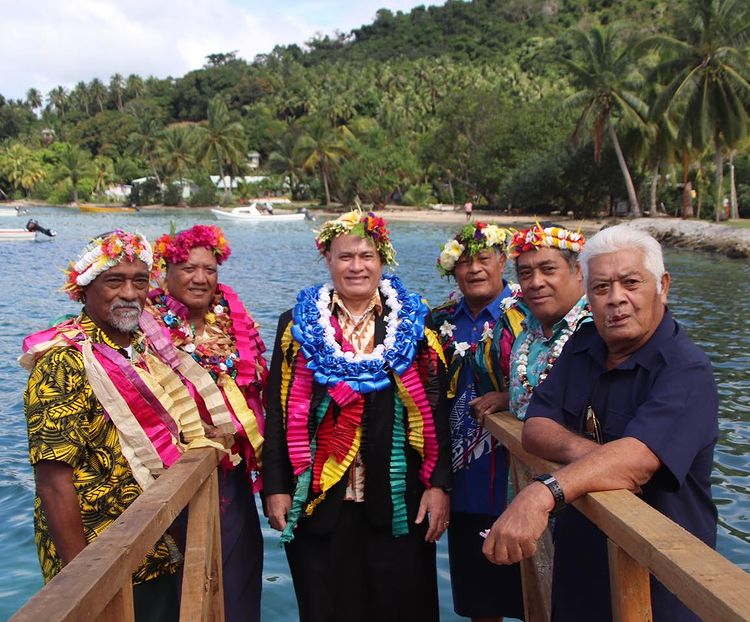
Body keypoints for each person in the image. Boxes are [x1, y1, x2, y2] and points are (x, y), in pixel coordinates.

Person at [482, 225, 719, 621]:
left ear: (662, 285)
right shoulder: (584, 345)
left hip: (658, 581)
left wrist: (543, 494)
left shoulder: (685, 369)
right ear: (588, 294)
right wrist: (603, 460)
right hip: (580, 570)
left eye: (631, 283)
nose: (616, 299)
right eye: (602, 287)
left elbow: (639, 461)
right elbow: (538, 426)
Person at [263, 209, 452, 622]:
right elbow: (277, 411)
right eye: (345, 256)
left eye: (366, 256)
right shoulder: (294, 325)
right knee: (326, 610)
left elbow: (434, 408)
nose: (356, 266)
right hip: (321, 502)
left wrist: (438, 485)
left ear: (382, 259)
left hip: (397, 501)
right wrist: (275, 486)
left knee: (403, 610)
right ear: (327, 260)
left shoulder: (416, 323)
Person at [20, 230, 212, 622]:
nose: (129, 293)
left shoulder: (140, 349)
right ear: (85, 289)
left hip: (153, 550)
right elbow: (54, 482)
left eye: (139, 281)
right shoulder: (64, 362)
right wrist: (85, 583)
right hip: (98, 555)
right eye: (114, 281)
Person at [144, 224, 267, 622]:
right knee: (177, 588)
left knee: (237, 580)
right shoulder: (144, 322)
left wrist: (240, 432)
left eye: (210, 270)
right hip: (168, 476)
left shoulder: (233, 319)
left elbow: (258, 389)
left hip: (230, 475)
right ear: (165, 271)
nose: (201, 278)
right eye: (188, 268)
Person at [431, 222, 525, 622]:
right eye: (464, 262)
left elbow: (553, 377)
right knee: (479, 600)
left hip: (518, 482)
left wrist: (510, 397)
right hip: (463, 482)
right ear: (453, 271)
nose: (475, 269)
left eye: (484, 259)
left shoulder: (530, 314)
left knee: (536, 594)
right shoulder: (437, 322)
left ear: (502, 261)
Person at [505, 224, 590, 421]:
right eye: (525, 273)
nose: (536, 282)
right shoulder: (528, 329)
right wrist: (506, 398)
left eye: (548, 270)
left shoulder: (596, 331)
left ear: (578, 270)